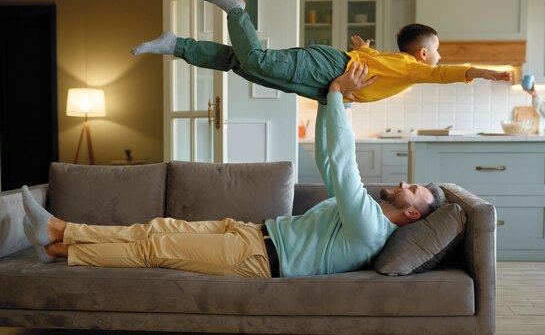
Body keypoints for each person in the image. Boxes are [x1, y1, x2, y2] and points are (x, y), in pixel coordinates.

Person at [21, 63, 446, 278]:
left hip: (258, 258)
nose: (405, 184)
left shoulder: (372, 226)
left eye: (415, 192)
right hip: (251, 232)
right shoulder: (365, 211)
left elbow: (344, 163)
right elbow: (330, 161)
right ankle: (60, 229)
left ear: (411, 214)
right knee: (156, 228)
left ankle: (63, 247)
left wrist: (338, 96)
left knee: (157, 250)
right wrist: (329, 102)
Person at [132, 0, 512, 104]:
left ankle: (177, 45)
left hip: (324, 83)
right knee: (258, 60)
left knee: (242, 63)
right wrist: (484, 73)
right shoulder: (416, 69)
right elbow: (447, 73)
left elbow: (373, 57)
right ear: (423, 54)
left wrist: (365, 49)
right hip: (329, 69)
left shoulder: (396, 63)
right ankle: (236, 10)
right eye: (437, 50)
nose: (438, 59)